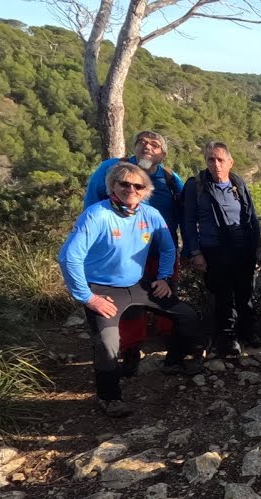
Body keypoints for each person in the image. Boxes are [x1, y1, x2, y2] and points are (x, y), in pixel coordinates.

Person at [58, 162, 202, 417]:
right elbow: (69, 257)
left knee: (187, 316)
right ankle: (108, 397)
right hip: (102, 288)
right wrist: (87, 297)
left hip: (138, 283)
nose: (131, 189)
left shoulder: (150, 215)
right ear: (112, 185)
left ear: (146, 190)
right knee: (108, 341)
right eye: (123, 183)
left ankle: (174, 362)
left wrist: (163, 278)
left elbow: (168, 248)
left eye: (138, 185)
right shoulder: (97, 215)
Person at [180, 141, 261, 357]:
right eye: (210, 159)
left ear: (230, 162)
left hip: (242, 248)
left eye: (220, 160)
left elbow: (251, 218)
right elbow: (187, 221)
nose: (215, 164)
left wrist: (256, 250)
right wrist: (195, 252)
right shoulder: (195, 186)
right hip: (213, 249)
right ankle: (228, 337)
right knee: (223, 295)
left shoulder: (238, 183)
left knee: (245, 293)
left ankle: (248, 331)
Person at [83, 130, 183, 236]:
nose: (147, 147)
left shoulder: (170, 177)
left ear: (163, 155)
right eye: (142, 142)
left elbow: (185, 209)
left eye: (155, 145)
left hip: (161, 245)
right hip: (119, 241)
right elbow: (92, 200)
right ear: (135, 148)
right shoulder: (111, 167)